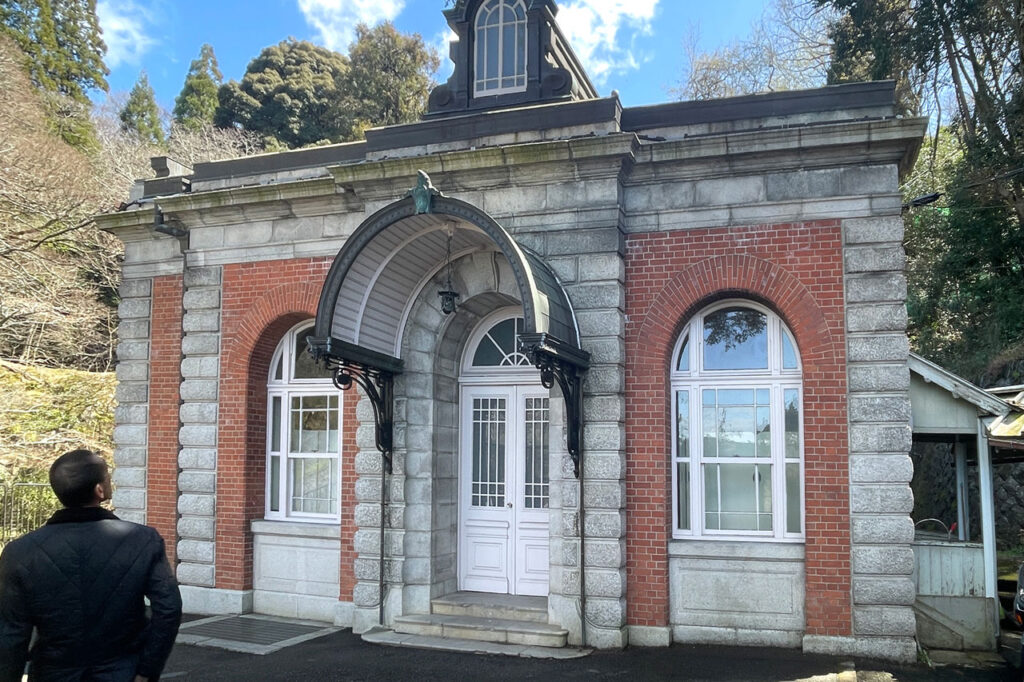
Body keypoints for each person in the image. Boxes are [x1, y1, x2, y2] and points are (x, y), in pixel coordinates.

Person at [0, 450, 182, 681]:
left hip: (52, 672)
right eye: (107, 476)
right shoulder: (143, 540)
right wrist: (147, 669)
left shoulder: (20, 551)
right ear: (99, 490)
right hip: (124, 670)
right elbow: (169, 609)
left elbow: (11, 633)